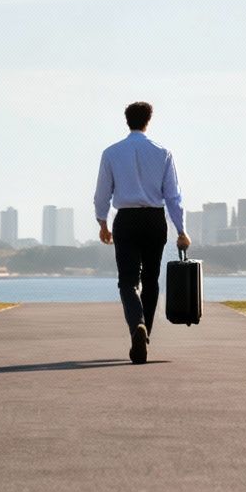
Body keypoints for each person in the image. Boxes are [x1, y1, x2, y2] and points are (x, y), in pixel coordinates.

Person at [94, 101, 190, 365]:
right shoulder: (163, 153)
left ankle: (137, 324)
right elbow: (173, 196)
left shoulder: (111, 153)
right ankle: (145, 331)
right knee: (151, 278)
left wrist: (102, 222)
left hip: (125, 220)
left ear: (127, 121)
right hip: (154, 219)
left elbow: (103, 192)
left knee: (127, 281)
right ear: (149, 120)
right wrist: (181, 230)